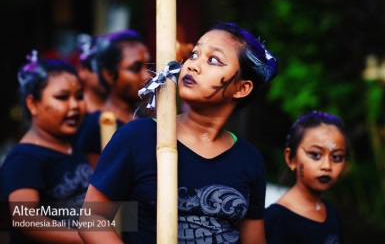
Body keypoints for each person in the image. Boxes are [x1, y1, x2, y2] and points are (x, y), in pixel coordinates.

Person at [78, 22, 278, 243]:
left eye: (213, 60)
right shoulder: (137, 138)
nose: (193, 65)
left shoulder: (249, 160)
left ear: (242, 88)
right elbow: (92, 219)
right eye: (194, 55)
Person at [1, 51, 92, 243]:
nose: (74, 105)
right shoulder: (24, 157)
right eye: (62, 97)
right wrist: (89, 239)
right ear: (33, 104)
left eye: (79, 96)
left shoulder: (72, 147)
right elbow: (25, 218)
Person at [264, 110, 348, 244]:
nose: (327, 166)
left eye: (336, 157)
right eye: (315, 155)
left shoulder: (330, 211)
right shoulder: (276, 219)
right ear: (291, 158)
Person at [73, 29, 152, 168]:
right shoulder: (96, 126)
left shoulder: (143, 118)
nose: (147, 76)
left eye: (148, 66)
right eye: (135, 68)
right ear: (108, 74)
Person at [75, 33, 108, 114]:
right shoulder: (75, 114)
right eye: (99, 68)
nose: (107, 74)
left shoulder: (129, 112)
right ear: (82, 70)